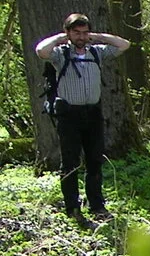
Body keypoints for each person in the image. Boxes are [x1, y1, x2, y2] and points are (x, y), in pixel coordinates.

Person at [35, 13, 130, 221]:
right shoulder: (60, 54)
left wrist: (98, 37)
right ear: (68, 32)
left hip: (93, 113)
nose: (81, 36)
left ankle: (97, 206)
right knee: (70, 163)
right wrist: (60, 38)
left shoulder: (96, 52)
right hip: (68, 115)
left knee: (94, 160)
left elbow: (124, 45)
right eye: (76, 32)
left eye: (84, 32)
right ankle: (73, 209)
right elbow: (41, 51)